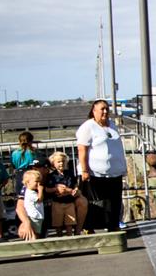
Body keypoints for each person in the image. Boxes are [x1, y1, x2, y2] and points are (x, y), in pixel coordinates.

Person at [76, 100, 127, 232]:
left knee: (114, 201)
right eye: (102, 109)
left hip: (114, 172)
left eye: (107, 109)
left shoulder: (112, 125)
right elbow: (82, 149)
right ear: (94, 111)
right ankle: (89, 227)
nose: (105, 111)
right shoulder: (88, 127)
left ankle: (113, 226)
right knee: (94, 202)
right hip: (95, 172)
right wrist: (84, 170)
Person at [46, 151, 86, 236]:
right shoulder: (51, 176)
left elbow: (75, 185)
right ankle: (60, 237)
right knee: (58, 223)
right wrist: (55, 189)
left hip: (69, 202)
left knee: (70, 222)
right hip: (57, 202)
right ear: (53, 163)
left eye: (63, 161)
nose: (61, 163)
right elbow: (47, 189)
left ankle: (70, 236)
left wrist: (74, 190)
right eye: (59, 162)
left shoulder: (70, 173)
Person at [21, 169, 45, 237]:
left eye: (39, 182)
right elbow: (39, 199)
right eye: (36, 182)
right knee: (35, 233)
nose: (38, 184)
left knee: (37, 233)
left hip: (37, 215)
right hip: (34, 216)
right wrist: (41, 190)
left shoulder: (33, 192)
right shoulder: (30, 193)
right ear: (28, 182)